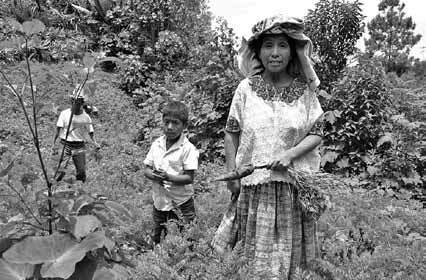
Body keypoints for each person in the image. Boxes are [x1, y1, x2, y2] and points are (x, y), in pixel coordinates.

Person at [212, 14, 325, 279]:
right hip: (254, 190)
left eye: (282, 45)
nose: (275, 53)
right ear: (258, 52)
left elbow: (317, 133)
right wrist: (232, 173)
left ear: (293, 51)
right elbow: (231, 132)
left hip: (291, 191)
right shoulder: (245, 89)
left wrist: (289, 155)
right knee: (251, 258)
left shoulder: (304, 93)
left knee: (289, 261)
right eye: (268, 45)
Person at [143, 101, 199, 244]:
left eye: (175, 123)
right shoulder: (157, 145)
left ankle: (189, 261)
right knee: (158, 234)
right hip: (160, 201)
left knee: (188, 236)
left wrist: (169, 177)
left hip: (181, 202)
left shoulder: (188, 149)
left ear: (184, 126)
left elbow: (189, 178)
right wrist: (154, 176)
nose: (170, 127)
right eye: (167, 122)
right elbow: (147, 169)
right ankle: (157, 258)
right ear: (162, 122)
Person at [53, 84, 100, 182]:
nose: (77, 104)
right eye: (75, 101)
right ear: (72, 101)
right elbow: (58, 130)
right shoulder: (65, 114)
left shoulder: (85, 117)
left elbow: (90, 132)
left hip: (79, 146)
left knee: (81, 171)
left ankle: (80, 191)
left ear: (82, 103)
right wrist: (54, 145)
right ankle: (53, 187)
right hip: (65, 144)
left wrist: (94, 143)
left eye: (79, 102)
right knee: (60, 170)